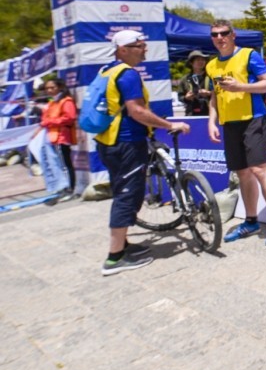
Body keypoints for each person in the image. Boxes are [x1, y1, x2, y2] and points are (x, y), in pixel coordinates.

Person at [95, 30, 190, 275]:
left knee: (122, 192)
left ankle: (123, 245)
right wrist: (170, 125)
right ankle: (114, 257)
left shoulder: (108, 70)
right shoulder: (127, 75)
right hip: (126, 143)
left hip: (109, 142)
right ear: (123, 49)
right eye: (139, 46)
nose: (144, 49)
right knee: (128, 196)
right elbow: (137, 111)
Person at [205, 20, 266, 248]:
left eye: (224, 33)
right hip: (229, 123)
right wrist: (212, 121)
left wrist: (241, 87)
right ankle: (251, 221)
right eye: (215, 34)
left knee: (260, 170)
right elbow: (214, 96)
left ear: (233, 35)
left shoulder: (249, 55)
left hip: (253, 118)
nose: (219, 37)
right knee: (242, 174)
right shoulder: (212, 65)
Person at [37, 77, 77, 199]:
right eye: (47, 88)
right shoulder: (52, 102)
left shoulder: (66, 101)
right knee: (57, 164)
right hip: (52, 137)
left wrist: (49, 122)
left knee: (65, 164)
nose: (49, 90)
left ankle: (70, 189)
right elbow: (45, 118)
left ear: (59, 87)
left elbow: (69, 117)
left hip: (61, 137)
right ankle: (63, 188)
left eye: (52, 87)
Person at [178, 50, 214, 116]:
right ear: (191, 63)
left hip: (210, 112)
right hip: (191, 113)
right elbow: (180, 96)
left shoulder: (211, 77)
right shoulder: (185, 79)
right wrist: (186, 97)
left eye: (203, 60)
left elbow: (220, 92)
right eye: (198, 60)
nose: (201, 62)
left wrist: (209, 93)